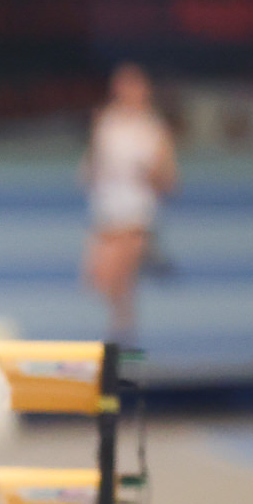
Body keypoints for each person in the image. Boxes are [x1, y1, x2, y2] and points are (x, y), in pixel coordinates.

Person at [81, 64, 176, 338]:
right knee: (99, 281)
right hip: (107, 211)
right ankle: (125, 344)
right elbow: (91, 167)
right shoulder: (106, 123)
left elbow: (170, 180)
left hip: (137, 213)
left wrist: (151, 174)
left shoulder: (153, 129)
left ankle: (125, 350)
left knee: (121, 283)